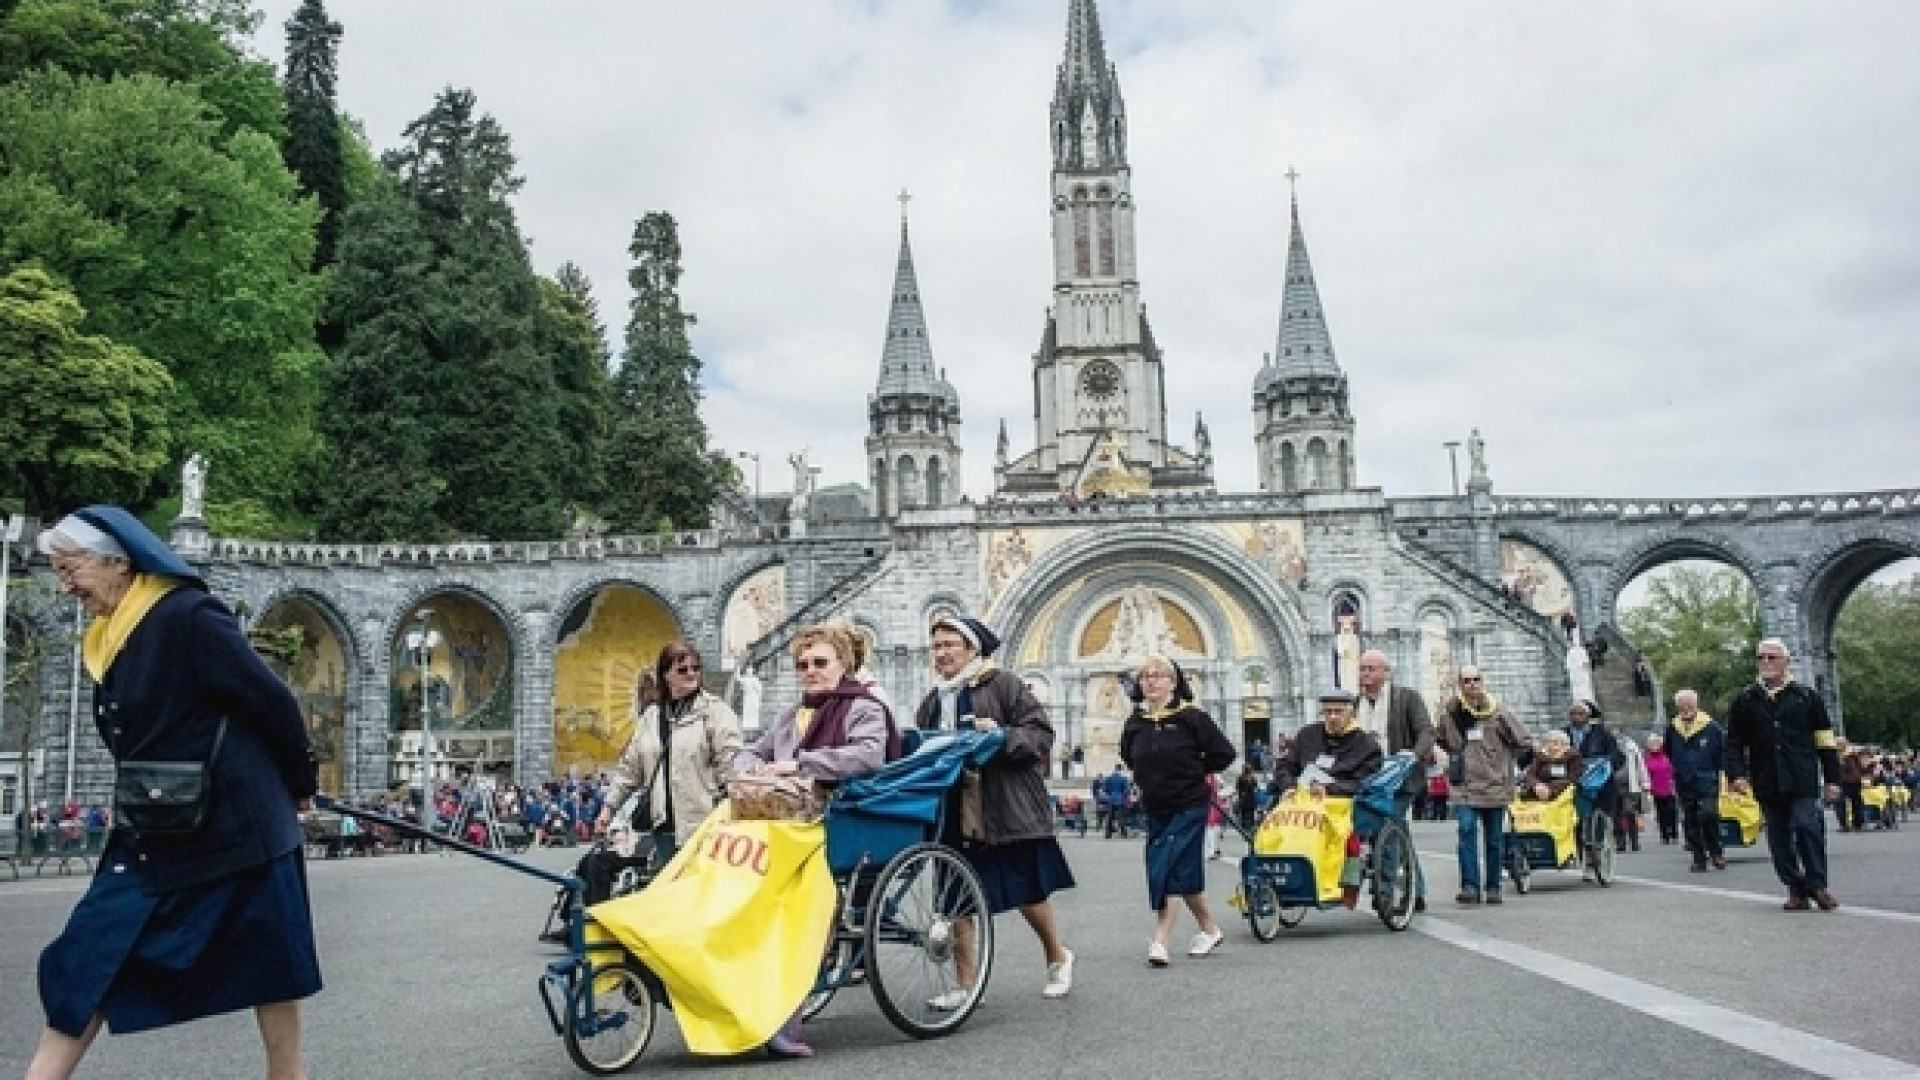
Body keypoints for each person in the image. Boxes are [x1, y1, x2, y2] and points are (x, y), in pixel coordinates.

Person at [29, 507, 320, 1080]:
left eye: (70, 570)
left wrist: (300, 784)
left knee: (273, 963)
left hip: (239, 825)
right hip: (158, 828)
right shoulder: (111, 635)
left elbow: (271, 702)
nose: (65, 586)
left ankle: (288, 1077)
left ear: (116, 563)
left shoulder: (187, 615)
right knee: (86, 954)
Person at [731, 624, 897, 1058]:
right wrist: (748, 767)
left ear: (844, 665)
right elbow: (757, 749)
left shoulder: (863, 708)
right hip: (784, 819)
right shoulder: (792, 714)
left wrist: (799, 764)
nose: (810, 671)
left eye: (820, 663)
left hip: (833, 820)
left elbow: (867, 755)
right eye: (803, 665)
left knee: (802, 907)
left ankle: (786, 1012)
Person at [916, 615, 1076, 1001]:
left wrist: (1002, 736)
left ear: (972, 648)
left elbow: (1041, 734)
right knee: (956, 897)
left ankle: (1058, 956)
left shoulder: (1003, 685)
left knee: (1026, 891)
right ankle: (966, 987)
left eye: (950, 644)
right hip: (952, 806)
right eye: (937, 646)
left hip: (1004, 805)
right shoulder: (933, 701)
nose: (942, 653)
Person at [1118, 655, 1236, 967]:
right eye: (1145, 677)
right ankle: (1210, 929)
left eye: (1158, 676)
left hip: (1189, 803)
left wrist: (1194, 770)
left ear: (1173, 682)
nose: (1151, 681)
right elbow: (1129, 757)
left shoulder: (1192, 718)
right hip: (1157, 806)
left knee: (1168, 867)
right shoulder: (1136, 723)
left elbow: (1224, 753)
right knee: (1181, 872)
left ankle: (1160, 940)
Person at [595, 641, 743, 868]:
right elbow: (630, 769)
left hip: (704, 825)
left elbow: (731, 763)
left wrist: (734, 807)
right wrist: (608, 808)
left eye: (696, 668)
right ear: (666, 675)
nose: (691, 673)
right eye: (682, 669)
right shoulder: (651, 717)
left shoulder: (715, 712)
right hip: (663, 826)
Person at [1727, 639, 1843, 912]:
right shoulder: (1745, 700)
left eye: (1772, 657)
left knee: (1806, 826)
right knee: (1778, 837)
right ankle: (1795, 888)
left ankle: (1817, 884)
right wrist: (1737, 775)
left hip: (1802, 777)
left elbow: (1825, 740)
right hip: (1767, 778)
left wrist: (1833, 779)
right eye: (1761, 657)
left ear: (1786, 662)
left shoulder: (1806, 697)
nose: (1766, 662)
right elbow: (1733, 743)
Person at [1436, 665, 1529, 906]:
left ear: (1483, 682)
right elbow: (1443, 739)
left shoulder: (1498, 711)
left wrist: (1504, 765)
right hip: (1465, 785)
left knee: (1494, 839)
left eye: (1476, 679)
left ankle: (1493, 887)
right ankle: (1469, 886)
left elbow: (1522, 740)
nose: (1472, 685)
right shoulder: (1450, 713)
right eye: (1466, 681)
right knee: (1466, 832)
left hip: (1494, 784)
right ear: (1460, 684)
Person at [1355, 649, 1435, 910]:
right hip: (1370, 781)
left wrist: (1414, 754)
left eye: (1371, 669)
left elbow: (1426, 731)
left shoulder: (1406, 698)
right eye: (1363, 669)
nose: (1365, 674)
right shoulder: (1356, 704)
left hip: (1401, 778)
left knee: (1386, 829)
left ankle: (1385, 892)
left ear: (1385, 672)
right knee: (1399, 832)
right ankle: (1417, 891)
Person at [1665, 690, 1726, 872]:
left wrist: (1723, 774)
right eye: (1682, 705)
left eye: (1689, 705)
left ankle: (1716, 852)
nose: (1686, 708)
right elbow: (1669, 751)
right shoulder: (1672, 728)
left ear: (1696, 705)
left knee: (1709, 814)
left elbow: (1722, 751)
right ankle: (1698, 857)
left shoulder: (1711, 727)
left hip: (1707, 778)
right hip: (1684, 780)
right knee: (1690, 820)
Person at [1521, 731, 1586, 802]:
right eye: (1548, 742)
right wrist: (1537, 785)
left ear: (1565, 745)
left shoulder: (1574, 756)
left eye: (1556, 742)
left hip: (1563, 794)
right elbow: (1530, 774)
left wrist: (1550, 789)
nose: (1551, 746)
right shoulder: (1541, 755)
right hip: (1538, 792)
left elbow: (1572, 778)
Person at [1644, 733, 1679, 845]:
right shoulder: (1647, 759)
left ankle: (1674, 834)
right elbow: (1646, 774)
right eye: (1652, 744)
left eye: (1656, 743)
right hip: (1656, 790)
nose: (1654, 745)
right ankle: (1664, 836)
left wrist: (1675, 783)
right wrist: (1647, 787)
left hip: (1670, 789)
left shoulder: (1667, 756)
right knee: (1661, 813)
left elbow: (1674, 771)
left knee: (1672, 811)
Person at [1618, 736, 1649, 852]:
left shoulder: (1632, 746)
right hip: (1614, 785)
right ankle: (1620, 842)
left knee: (1630, 812)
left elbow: (1640, 765)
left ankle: (1634, 842)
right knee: (1617, 815)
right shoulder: (1609, 746)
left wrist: (1645, 782)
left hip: (1631, 785)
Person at [1101, 764, 1133, 838]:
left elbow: (1104, 790)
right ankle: (1123, 833)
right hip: (1120, 799)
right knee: (1121, 817)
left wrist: (1108, 795)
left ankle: (1108, 834)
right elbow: (1127, 790)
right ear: (1121, 770)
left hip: (1111, 799)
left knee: (1110, 817)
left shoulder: (1109, 778)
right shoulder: (1123, 779)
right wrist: (1124, 796)